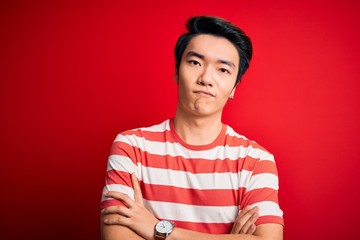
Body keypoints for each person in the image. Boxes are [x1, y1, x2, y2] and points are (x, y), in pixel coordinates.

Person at [100, 15, 284, 240]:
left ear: (235, 86)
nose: (206, 78)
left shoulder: (255, 161)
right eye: (195, 62)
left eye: (223, 70)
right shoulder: (131, 147)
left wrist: (160, 230)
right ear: (177, 71)